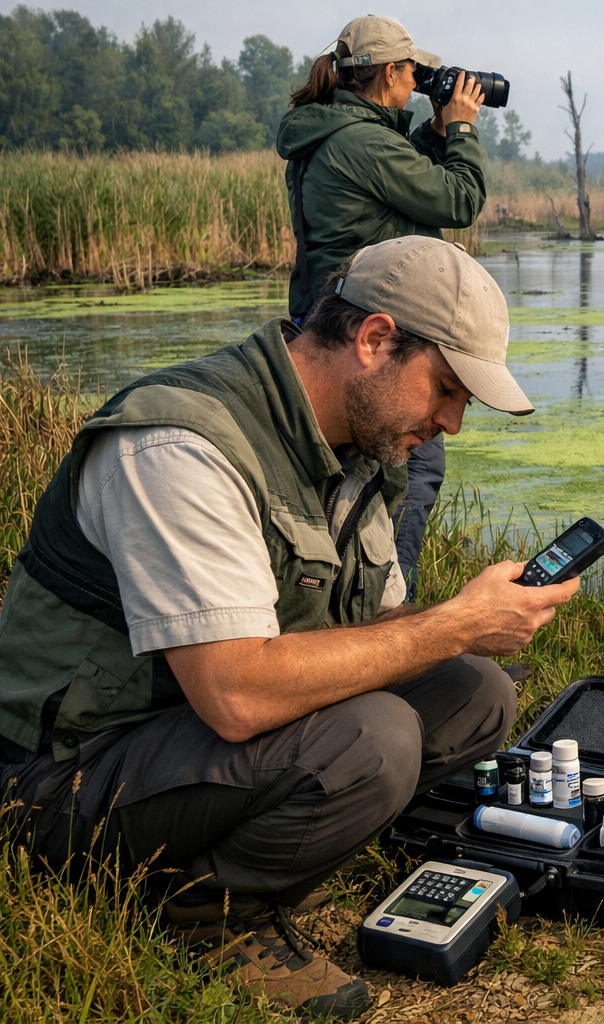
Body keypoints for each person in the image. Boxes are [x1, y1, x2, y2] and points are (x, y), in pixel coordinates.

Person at [0, 237, 568, 1020]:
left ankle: (271, 838)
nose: (453, 422)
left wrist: (463, 633)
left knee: (476, 693)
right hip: (60, 773)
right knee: (372, 739)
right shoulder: (180, 445)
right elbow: (236, 695)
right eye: (446, 388)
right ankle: (204, 913)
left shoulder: (361, 451)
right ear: (373, 340)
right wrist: (451, 624)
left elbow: (375, 628)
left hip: (185, 736)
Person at [279, 15, 490, 598]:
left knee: (353, 485)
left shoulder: (329, 132)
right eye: (414, 72)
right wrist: (464, 130)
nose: (419, 80)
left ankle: (347, 619)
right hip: (372, 338)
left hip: (332, 327)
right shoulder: (361, 141)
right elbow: (458, 197)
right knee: (410, 472)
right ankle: (392, 635)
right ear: (390, 72)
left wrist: (433, 129)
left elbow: (396, 180)